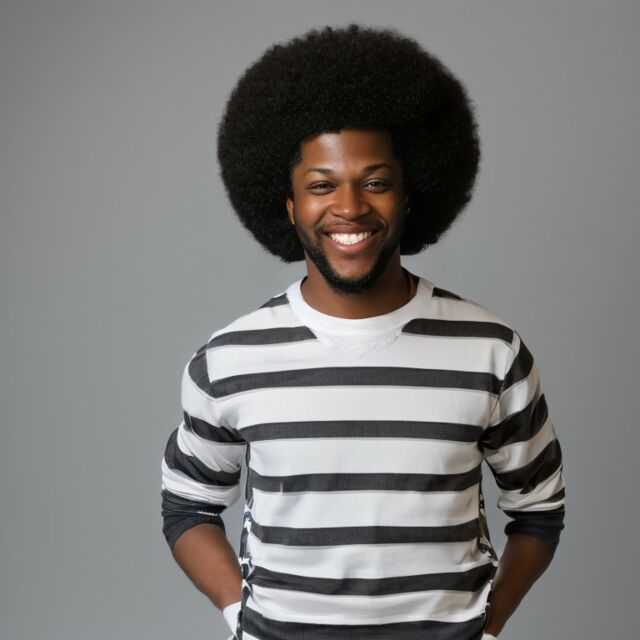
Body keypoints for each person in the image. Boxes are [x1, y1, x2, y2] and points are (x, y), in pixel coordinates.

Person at [160, 23, 566, 640]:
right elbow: (188, 504)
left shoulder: (491, 351)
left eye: (375, 182)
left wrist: (486, 627)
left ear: (410, 196)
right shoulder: (229, 360)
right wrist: (241, 615)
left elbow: (538, 509)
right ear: (289, 205)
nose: (349, 207)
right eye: (321, 185)